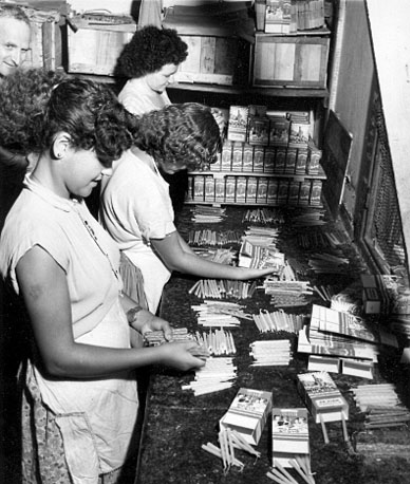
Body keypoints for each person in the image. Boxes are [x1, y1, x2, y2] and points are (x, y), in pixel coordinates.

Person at [0, 73, 206, 484]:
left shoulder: (70, 201)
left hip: (102, 401)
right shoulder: (36, 235)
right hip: (72, 414)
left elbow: (96, 278)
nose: (110, 167)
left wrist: (137, 316)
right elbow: (60, 357)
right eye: (102, 156)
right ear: (62, 146)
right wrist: (156, 355)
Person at [99, 103, 277, 314]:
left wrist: (196, 258)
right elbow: (176, 259)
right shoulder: (145, 189)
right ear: (174, 149)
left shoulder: (132, 154)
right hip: (137, 286)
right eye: (185, 163)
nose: (183, 169)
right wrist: (239, 273)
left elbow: (168, 234)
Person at [115, 25, 188, 116]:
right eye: (166, 75)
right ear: (148, 68)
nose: (171, 80)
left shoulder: (157, 88)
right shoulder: (131, 105)